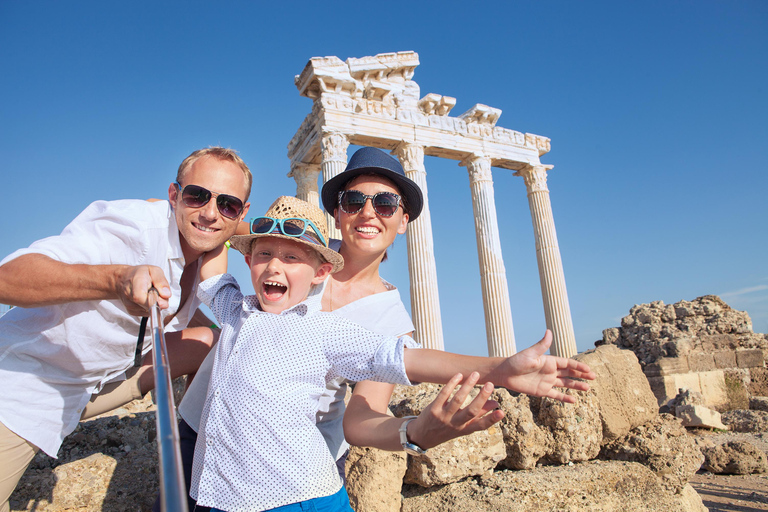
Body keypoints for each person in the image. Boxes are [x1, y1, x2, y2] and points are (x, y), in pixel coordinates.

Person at [169, 147, 592, 511]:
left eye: (386, 204)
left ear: (403, 220)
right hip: (200, 431)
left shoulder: (385, 318)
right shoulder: (293, 242)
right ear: (337, 212)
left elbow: (364, 414)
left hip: (286, 470)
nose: (368, 212)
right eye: (353, 201)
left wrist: (421, 428)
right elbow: (215, 228)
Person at [0, 146, 252, 511]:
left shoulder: (210, 245)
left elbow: (243, 224)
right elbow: (8, 278)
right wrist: (116, 280)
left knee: (214, 341)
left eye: (227, 204)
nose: (211, 213)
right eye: (197, 195)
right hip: (28, 387)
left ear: (240, 212)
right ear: (173, 195)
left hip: (99, 384)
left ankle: (194, 462)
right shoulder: (130, 227)